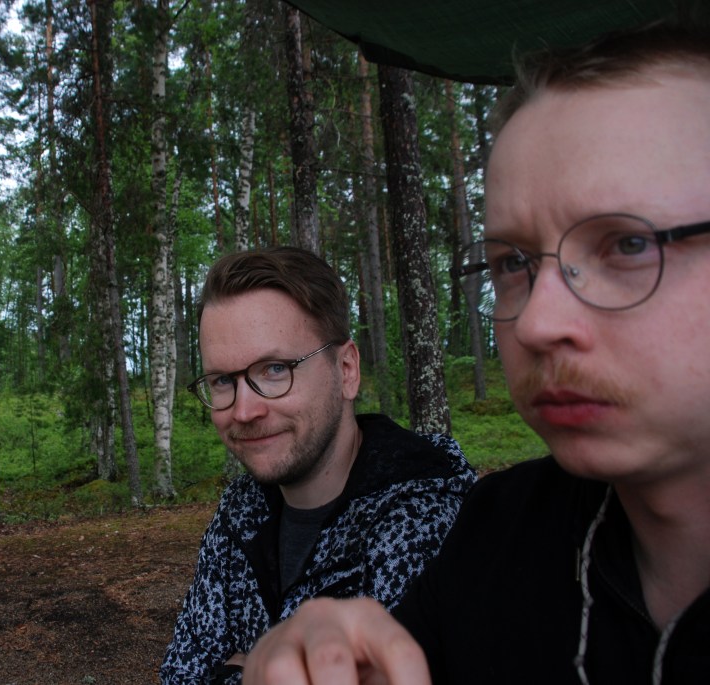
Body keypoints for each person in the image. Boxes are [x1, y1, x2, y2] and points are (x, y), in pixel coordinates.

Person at [242, 22, 710, 685]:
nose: (538, 321)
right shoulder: (499, 532)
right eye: (513, 263)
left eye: (627, 245)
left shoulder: (438, 502)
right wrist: (322, 653)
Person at [160, 247, 476, 684]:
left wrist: (234, 670)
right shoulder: (240, 512)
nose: (244, 410)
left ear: (346, 370)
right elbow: (179, 673)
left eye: (274, 369)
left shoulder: (427, 516)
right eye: (223, 380)